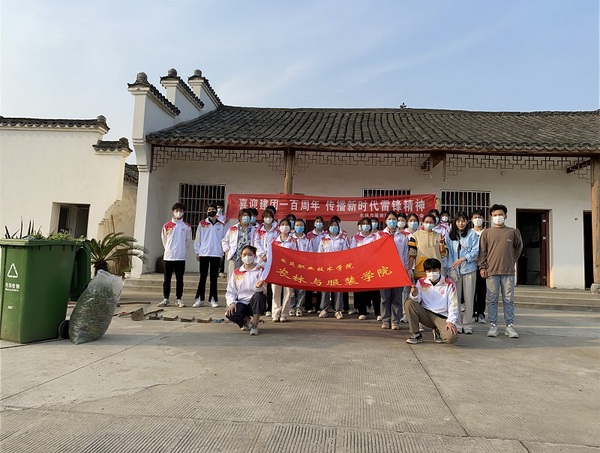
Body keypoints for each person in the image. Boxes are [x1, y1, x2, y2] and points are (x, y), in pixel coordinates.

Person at [478, 204, 523, 338]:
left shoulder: (512, 232)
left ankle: (509, 326)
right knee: (492, 299)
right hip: (491, 272)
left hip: (508, 272)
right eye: (495, 215)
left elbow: (519, 247)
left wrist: (512, 259)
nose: (498, 217)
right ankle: (493, 326)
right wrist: (482, 267)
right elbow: (482, 251)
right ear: (491, 217)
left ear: (506, 216)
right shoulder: (486, 233)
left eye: (500, 215)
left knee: (508, 299)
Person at [405, 258, 458, 344]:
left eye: (434, 270)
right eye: (429, 271)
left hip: (441, 316)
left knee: (451, 338)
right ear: (425, 272)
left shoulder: (449, 284)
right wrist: (414, 294)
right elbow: (417, 300)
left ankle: (438, 330)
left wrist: (451, 322)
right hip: (426, 314)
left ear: (439, 270)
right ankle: (416, 334)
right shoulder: (421, 282)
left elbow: (453, 304)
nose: (432, 273)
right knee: (409, 303)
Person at [446, 212, 479, 334]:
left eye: (463, 220)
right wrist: (451, 269)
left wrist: (463, 259)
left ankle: (468, 325)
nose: (461, 223)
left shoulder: (472, 234)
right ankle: (458, 324)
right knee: (456, 299)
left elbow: (475, 251)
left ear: (467, 222)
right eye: (458, 221)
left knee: (469, 298)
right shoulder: (449, 236)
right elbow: (448, 254)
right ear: (455, 222)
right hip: (455, 271)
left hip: (469, 269)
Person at [376, 211, 410, 330]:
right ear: (386, 221)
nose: (392, 221)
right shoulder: (380, 235)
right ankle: (385, 320)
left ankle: (395, 321)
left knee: (397, 298)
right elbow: (376, 253)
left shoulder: (402, 237)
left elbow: (405, 254)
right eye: (389, 219)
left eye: (394, 219)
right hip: (384, 271)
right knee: (385, 297)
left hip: (398, 271)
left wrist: (406, 269)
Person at [225, 245, 267, 336]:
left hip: (255, 303)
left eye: (250, 254)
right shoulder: (236, 272)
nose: (247, 257)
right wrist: (231, 303)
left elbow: (264, 290)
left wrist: (258, 287)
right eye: (244, 254)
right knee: (230, 313)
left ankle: (254, 324)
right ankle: (245, 321)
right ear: (241, 256)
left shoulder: (260, 270)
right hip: (242, 302)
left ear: (254, 255)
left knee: (258, 295)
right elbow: (231, 290)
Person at [158, 203, 192, 308]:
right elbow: (164, 240)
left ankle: (179, 299)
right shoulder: (167, 225)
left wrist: (181, 249)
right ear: (173, 212)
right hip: (168, 256)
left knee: (179, 279)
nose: (178, 212)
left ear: (184, 212)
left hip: (180, 257)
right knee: (166, 279)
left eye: (180, 210)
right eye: (176, 210)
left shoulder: (186, 226)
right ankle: (166, 298)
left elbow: (188, 241)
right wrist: (169, 249)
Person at [193, 203, 226, 308]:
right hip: (204, 253)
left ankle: (213, 299)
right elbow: (198, 238)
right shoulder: (202, 224)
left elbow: (224, 240)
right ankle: (200, 299)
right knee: (202, 277)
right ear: (207, 211)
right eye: (209, 209)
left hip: (216, 254)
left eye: (213, 209)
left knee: (213, 278)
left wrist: (222, 253)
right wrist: (197, 251)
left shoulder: (221, 225)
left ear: (216, 211)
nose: (211, 211)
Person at [317, 218, 348, 319]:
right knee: (325, 289)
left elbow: (345, 253)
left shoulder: (342, 239)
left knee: (338, 288)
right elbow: (320, 253)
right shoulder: (323, 239)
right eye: (332, 225)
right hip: (326, 267)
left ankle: (338, 310)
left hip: (338, 267)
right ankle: (324, 309)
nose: (333, 227)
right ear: (328, 227)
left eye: (335, 226)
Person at [350, 218, 379, 320]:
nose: (366, 225)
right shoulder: (355, 238)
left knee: (375, 290)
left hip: (372, 266)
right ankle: (362, 312)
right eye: (364, 224)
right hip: (360, 266)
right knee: (361, 290)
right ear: (360, 226)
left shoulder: (375, 237)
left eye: (368, 224)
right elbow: (353, 251)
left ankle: (378, 313)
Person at [222, 209, 256, 290]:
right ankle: (232, 295)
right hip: (235, 256)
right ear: (240, 217)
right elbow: (224, 241)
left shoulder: (254, 229)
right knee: (233, 277)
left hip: (248, 257)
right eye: (244, 216)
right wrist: (227, 251)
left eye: (247, 216)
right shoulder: (233, 228)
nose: (246, 218)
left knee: (247, 277)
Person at [270, 218, 297, 322]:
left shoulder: (293, 241)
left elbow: (296, 255)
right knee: (275, 292)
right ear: (279, 227)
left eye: (287, 225)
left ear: (290, 227)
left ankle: (284, 314)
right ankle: (275, 313)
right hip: (276, 269)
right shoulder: (274, 241)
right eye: (282, 224)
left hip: (289, 269)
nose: (284, 227)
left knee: (288, 292)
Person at [254, 208, 279, 316]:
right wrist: (262, 254)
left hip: (272, 259)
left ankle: (270, 307)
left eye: (270, 217)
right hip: (261, 260)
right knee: (261, 283)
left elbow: (277, 243)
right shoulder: (259, 230)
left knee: (270, 285)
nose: (268, 219)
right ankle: (261, 307)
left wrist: (269, 255)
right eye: (266, 217)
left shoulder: (277, 230)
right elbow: (256, 242)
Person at [408, 213, 448, 280]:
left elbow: (443, 254)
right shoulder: (415, 235)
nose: (428, 224)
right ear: (423, 223)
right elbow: (412, 254)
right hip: (421, 271)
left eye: (431, 222)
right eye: (426, 222)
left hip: (436, 271)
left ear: (434, 224)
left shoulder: (439, 236)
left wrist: (441, 244)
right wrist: (409, 268)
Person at [289, 218, 313, 317]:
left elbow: (310, 253)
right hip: (291, 266)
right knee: (291, 289)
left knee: (301, 289)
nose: (299, 227)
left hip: (303, 266)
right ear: (294, 227)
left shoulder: (307, 239)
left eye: (301, 225)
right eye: (297, 225)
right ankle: (291, 307)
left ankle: (299, 307)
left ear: (304, 227)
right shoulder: (290, 238)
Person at [305, 216, 327, 314]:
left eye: (320, 222)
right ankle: (308, 306)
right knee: (309, 284)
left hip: (322, 263)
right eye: (317, 222)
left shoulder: (325, 235)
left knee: (319, 285)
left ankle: (319, 306)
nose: (318, 223)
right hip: (311, 262)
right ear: (314, 223)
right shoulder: (309, 235)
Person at [471, 209, 487, 323]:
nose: (478, 219)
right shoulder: (469, 233)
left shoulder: (487, 233)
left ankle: (481, 313)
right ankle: (471, 313)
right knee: (471, 290)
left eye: (480, 217)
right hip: (471, 266)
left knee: (482, 290)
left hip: (483, 266)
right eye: (475, 217)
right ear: (471, 220)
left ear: (484, 219)